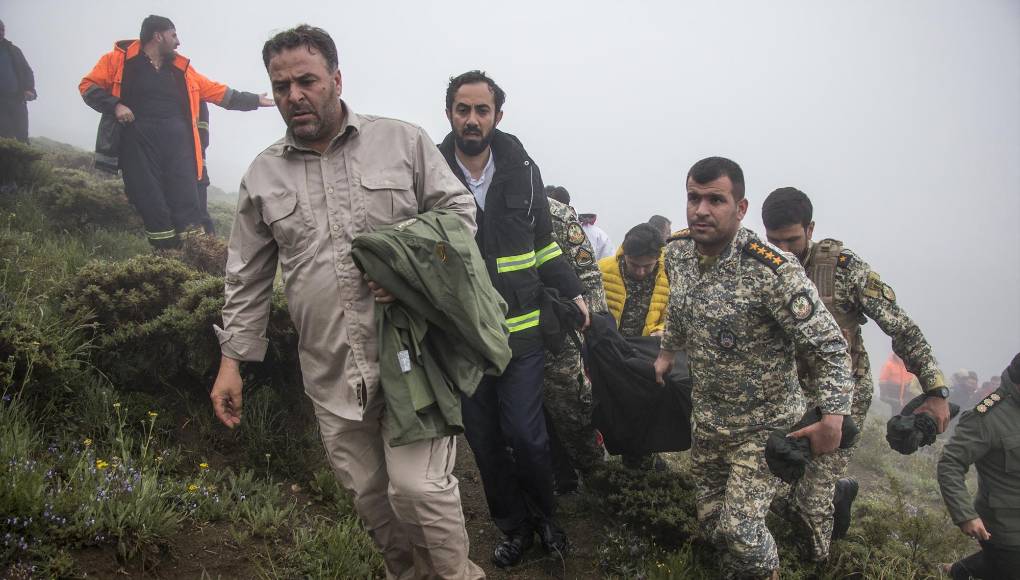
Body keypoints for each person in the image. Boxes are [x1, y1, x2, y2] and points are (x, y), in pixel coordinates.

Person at [209, 25, 483, 579]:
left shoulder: (402, 142)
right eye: (281, 86)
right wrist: (232, 361)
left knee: (419, 491)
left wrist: (404, 267)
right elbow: (246, 276)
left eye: (306, 81)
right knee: (375, 503)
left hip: (415, 362)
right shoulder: (263, 174)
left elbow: (460, 215)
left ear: (336, 79)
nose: (294, 96)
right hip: (333, 374)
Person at [652, 157, 853, 579]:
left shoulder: (774, 271)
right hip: (708, 421)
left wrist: (833, 416)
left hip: (766, 426)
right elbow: (681, 310)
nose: (701, 209)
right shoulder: (677, 253)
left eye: (715, 200)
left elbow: (830, 345)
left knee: (740, 530)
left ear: (740, 208)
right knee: (712, 526)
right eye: (694, 198)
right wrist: (668, 353)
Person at [438, 70, 587, 567]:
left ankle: (547, 519)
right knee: (484, 442)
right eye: (463, 109)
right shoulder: (432, 172)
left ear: (497, 116)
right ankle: (514, 528)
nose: (472, 119)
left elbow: (545, 242)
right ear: (450, 114)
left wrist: (573, 290)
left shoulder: (523, 169)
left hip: (522, 333)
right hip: (464, 337)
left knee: (526, 435)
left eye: (482, 110)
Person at [761, 186, 950, 562]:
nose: (784, 250)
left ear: (810, 229)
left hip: (841, 398)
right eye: (774, 241)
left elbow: (901, 328)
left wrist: (936, 389)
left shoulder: (843, 269)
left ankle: (819, 561)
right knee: (774, 488)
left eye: (792, 240)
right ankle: (839, 491)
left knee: (810, 503)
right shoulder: (762, 266)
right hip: (788, 395)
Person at [79, 15, 272, 249]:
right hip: (137, 146)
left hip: (180, 148)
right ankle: (167, 257)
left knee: (188, 204)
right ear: (157, 36)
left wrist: (255, 100)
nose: (178, 42)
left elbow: (217, 92)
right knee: (150, 201)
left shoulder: (183, 70)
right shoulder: (117, 60)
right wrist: (115, 106)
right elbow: (88, 86)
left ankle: (197, 258)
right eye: (173, 35)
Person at [938, 353, 1020, 580]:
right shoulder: (986, 417)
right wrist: (965, 515)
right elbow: (950, 463)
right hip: (1006, 527)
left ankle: (957, 571)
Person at [599, 222, 670, 470]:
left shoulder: (669, 275)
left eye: (647, 266)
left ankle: (641, 462)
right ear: (624, 255)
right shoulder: (602, 271)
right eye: (634, 265)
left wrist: (662, 329)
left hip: (646, 354)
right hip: (609, 353)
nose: (640, 272)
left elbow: (672, 314)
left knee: (643, 409)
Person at [0, 19, 35, 143]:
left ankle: (24, 159)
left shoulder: (13, 50)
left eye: (2, 29)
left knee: (21, 134)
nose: (1, 32)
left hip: (17, 99)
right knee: (5, 135)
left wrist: (30, 89)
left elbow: (27, 71)